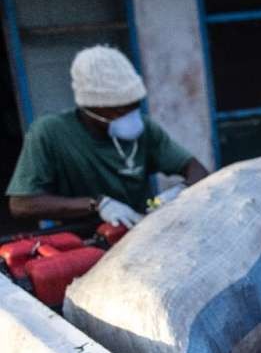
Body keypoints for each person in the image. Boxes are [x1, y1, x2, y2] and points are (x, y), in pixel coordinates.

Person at [6, 45, 209, 228]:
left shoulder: (145, 129)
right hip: (82, 239)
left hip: (138, 230)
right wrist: (97, 204)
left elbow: (197, 171)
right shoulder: (51, 132)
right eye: (119, 110)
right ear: (90, 107)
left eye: (134, 106)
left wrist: (180, 192)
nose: (129, 116)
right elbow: (22, 204)